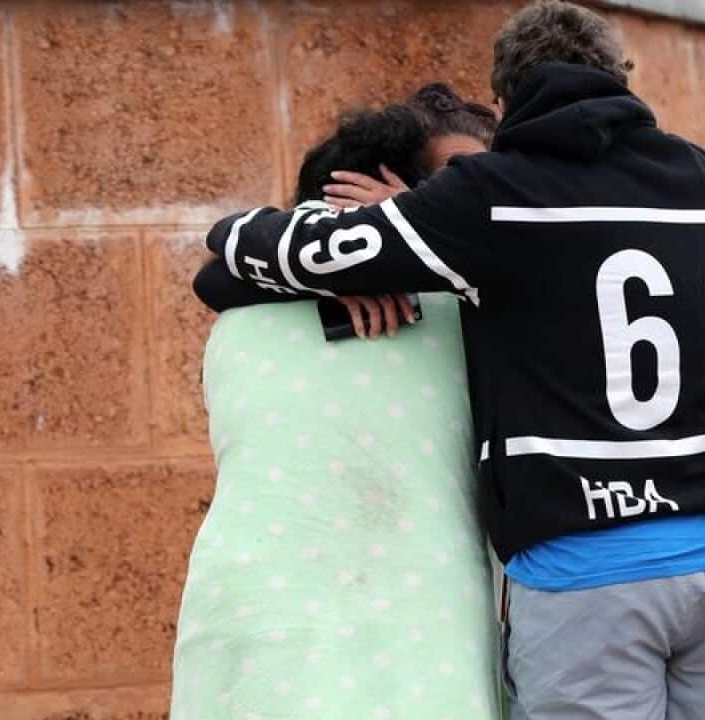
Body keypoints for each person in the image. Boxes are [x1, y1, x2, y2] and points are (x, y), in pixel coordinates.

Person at [199, 2, 705, 718]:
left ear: (505, 99)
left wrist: (400, 222)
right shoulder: (704, 177)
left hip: (592, 568)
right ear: (619, 77)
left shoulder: (493, 197)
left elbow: (245, 252)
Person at [171, 84, 505, 720]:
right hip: (406, 637)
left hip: (264, 631)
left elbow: (218, 264)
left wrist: (330, 264)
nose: (475, 202)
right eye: (455, 184)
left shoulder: (239, 308)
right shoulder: (465, 314)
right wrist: (361, 261)